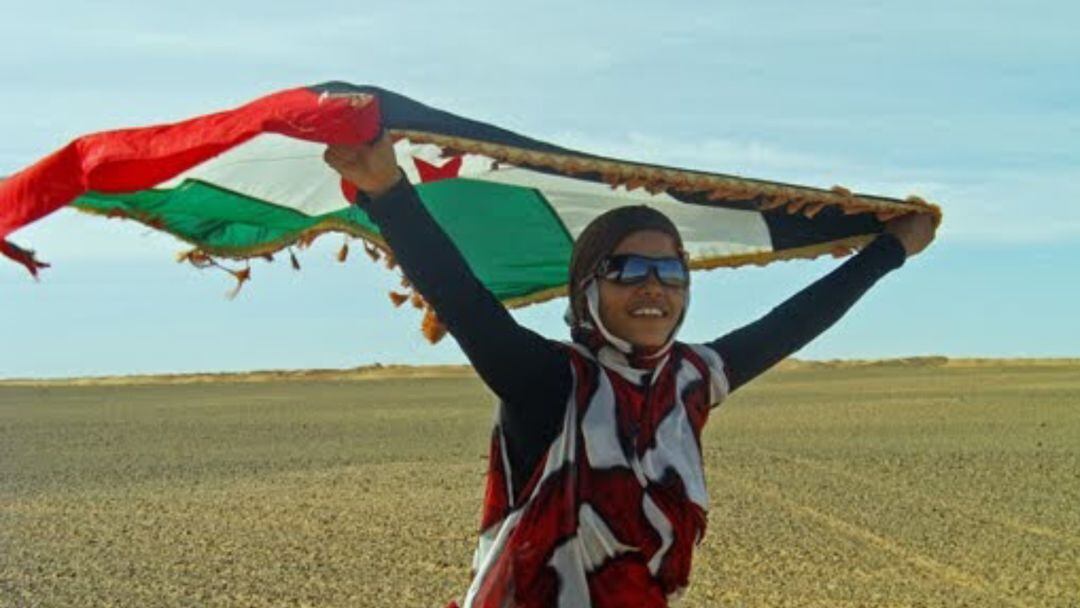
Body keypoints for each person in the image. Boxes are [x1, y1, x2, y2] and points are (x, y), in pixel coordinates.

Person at [325, 134, 935, 608]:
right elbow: (461, 298)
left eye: (670, 273)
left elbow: (794, 321)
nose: (653, 288)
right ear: (588, 286)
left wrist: (892, 250)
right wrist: (388, 191)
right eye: (628, 271)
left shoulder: (693, 379)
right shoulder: (549, 383)